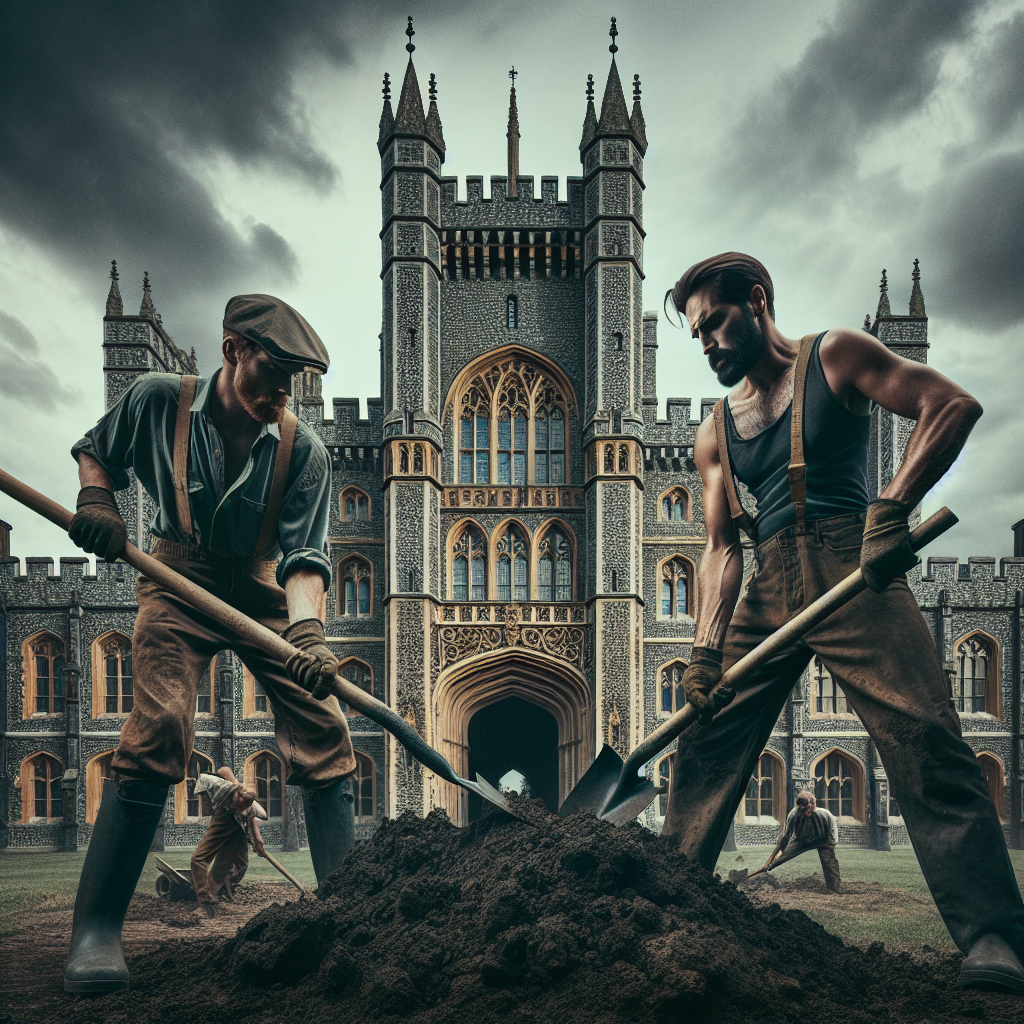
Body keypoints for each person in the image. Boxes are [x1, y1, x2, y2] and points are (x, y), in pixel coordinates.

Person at [661, 252, 1024, 994]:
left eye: (715, 325)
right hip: (771, 583)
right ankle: (659, 912)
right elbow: (722, 548)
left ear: (756, 301)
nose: (707, 346)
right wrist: (703, 653)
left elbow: (950, 406)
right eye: (696, 335)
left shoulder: (836, 358)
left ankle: (994, 938)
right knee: (703, 744)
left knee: (926, 737)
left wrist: (890, 507)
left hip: (855, 568)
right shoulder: (715, 435)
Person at [63, 294, 357, 994]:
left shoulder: (303, 450)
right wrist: (96, 501)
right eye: (275, 374)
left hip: (260, 591)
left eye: (295, 383)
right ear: (233, 352)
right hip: (174, 575)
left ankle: (354, 918)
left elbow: (305, 560)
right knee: (159, 724)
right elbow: (95, 453)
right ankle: (96, 934)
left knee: (325, 727)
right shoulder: (156, 400)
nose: (285, 395)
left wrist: (309, 633)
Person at [190, 767, 268, 917]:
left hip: (235, 825)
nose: (237, 807)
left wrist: (258, 840)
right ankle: (206, 901)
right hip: (222, 819)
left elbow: (256, 817)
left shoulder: (250, 807)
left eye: (241, 807)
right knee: (198, 859)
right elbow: (223, 770)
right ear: (234, 794)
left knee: (237, 864)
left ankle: (215, 890)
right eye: (235, 804)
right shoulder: (220, 787)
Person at [765, 790, 842, 892]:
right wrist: (773, 858)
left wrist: (829, 847)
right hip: (802, 840)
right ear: (799, 807)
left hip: (823, 840)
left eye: (810, 809)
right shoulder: (793, 815)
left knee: (828, 860)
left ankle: (835, 887)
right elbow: (785, 836)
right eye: (805, 809)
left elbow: (832, 835)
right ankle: (763, 873)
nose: (808, 812)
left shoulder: (825, 815)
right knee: (778, 860)